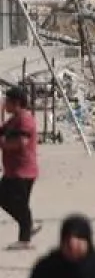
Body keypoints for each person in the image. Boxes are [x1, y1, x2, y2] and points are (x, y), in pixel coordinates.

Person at [1, 86, 39, 250]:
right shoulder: (14, 119)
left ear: (16, 103)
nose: (5, 104)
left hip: (22, 171)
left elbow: (20, 143)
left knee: (18, 203)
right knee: (10, 200)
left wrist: (3, 143)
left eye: (7, 102)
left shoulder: (25, 119)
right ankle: (28, 225)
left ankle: (25, 237)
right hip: (13, 170)